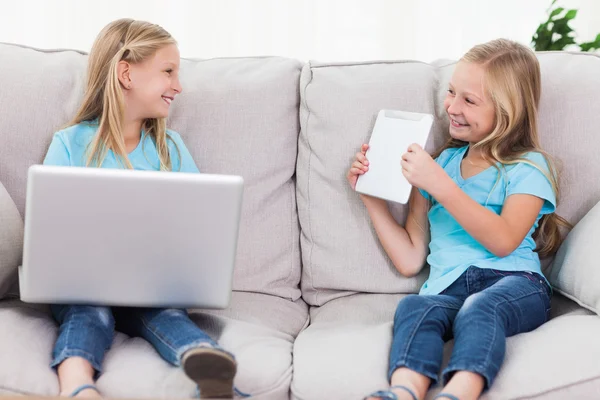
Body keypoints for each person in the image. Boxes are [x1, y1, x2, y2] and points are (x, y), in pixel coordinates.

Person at [347, 39, 569, 400]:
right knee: (415, 307)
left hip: (515, 283)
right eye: (451, 92)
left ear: (508, 112)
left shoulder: (528, 167)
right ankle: (403, 392)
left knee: (480, 308)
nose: (451, 106)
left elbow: (503, 240)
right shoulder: (440, 166)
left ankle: (460, 392)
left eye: (469, 100)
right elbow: (410, 259)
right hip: (447, 290)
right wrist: (371, 197)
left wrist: (442, 185)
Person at [43, 19, 239, 399]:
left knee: (166, 315)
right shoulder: (69, 144)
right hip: (83, 285)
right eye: (168, 71)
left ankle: (209, 365)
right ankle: (77, 387)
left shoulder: (172, 149)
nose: (178, 86)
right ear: (125, 73)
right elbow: (49, 233)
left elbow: (200, 226)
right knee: (88, 313)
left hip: (153, 286)